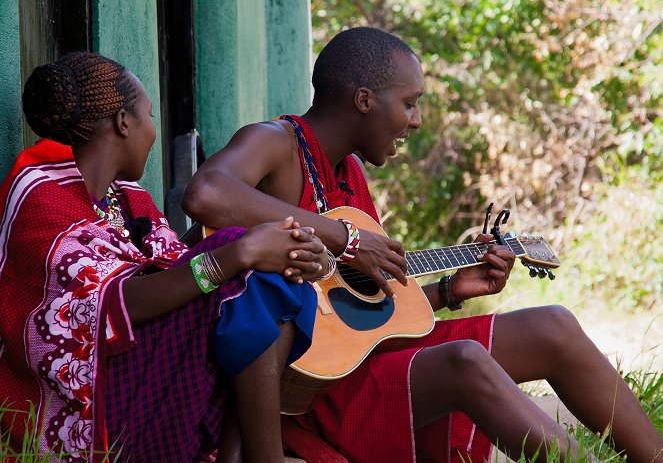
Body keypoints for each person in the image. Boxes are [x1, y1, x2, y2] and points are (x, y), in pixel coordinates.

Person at [182, 27, 663, 463]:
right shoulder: (274, 142)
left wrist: (450, 290)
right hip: (306, 396)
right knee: (465, 361)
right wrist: (346, 238)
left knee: (552, 325)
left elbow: (354, 313)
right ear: (365, 100)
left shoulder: (349, 175)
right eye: (410, 103)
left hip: (355, 365)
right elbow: (206, 194)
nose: (415, 121)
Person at [0, 52, 330, 463]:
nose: (154, 129)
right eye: (150, 115)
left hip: (140, 383)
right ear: (124, 122)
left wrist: (291, 253)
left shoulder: (127, 198)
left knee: (269, 273)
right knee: (242, 259)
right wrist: (239, 251)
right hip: (89, 408)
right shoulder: (40, 191)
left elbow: (180, 274)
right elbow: (105, 306)